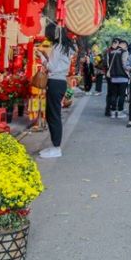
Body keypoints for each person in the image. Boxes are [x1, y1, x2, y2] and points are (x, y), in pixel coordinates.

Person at [39, 24, 76, 159]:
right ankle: (54, 145)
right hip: (60, 82)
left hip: (55, 82)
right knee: (53, 114)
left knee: (53, 115)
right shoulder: (65, 47)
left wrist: (42, 58)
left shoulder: (58, 47)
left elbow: (52, 67)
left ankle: (56, 147)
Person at [107, 39, 130, 118]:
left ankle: (113, 112)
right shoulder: (124, 52)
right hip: (123, 76)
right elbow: (124, 64)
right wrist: (129, 72)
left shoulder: (111, 52)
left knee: (114, 95)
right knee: (122, 95)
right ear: (124, 45)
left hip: (113, 77)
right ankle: (120, 111)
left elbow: (108, 64)